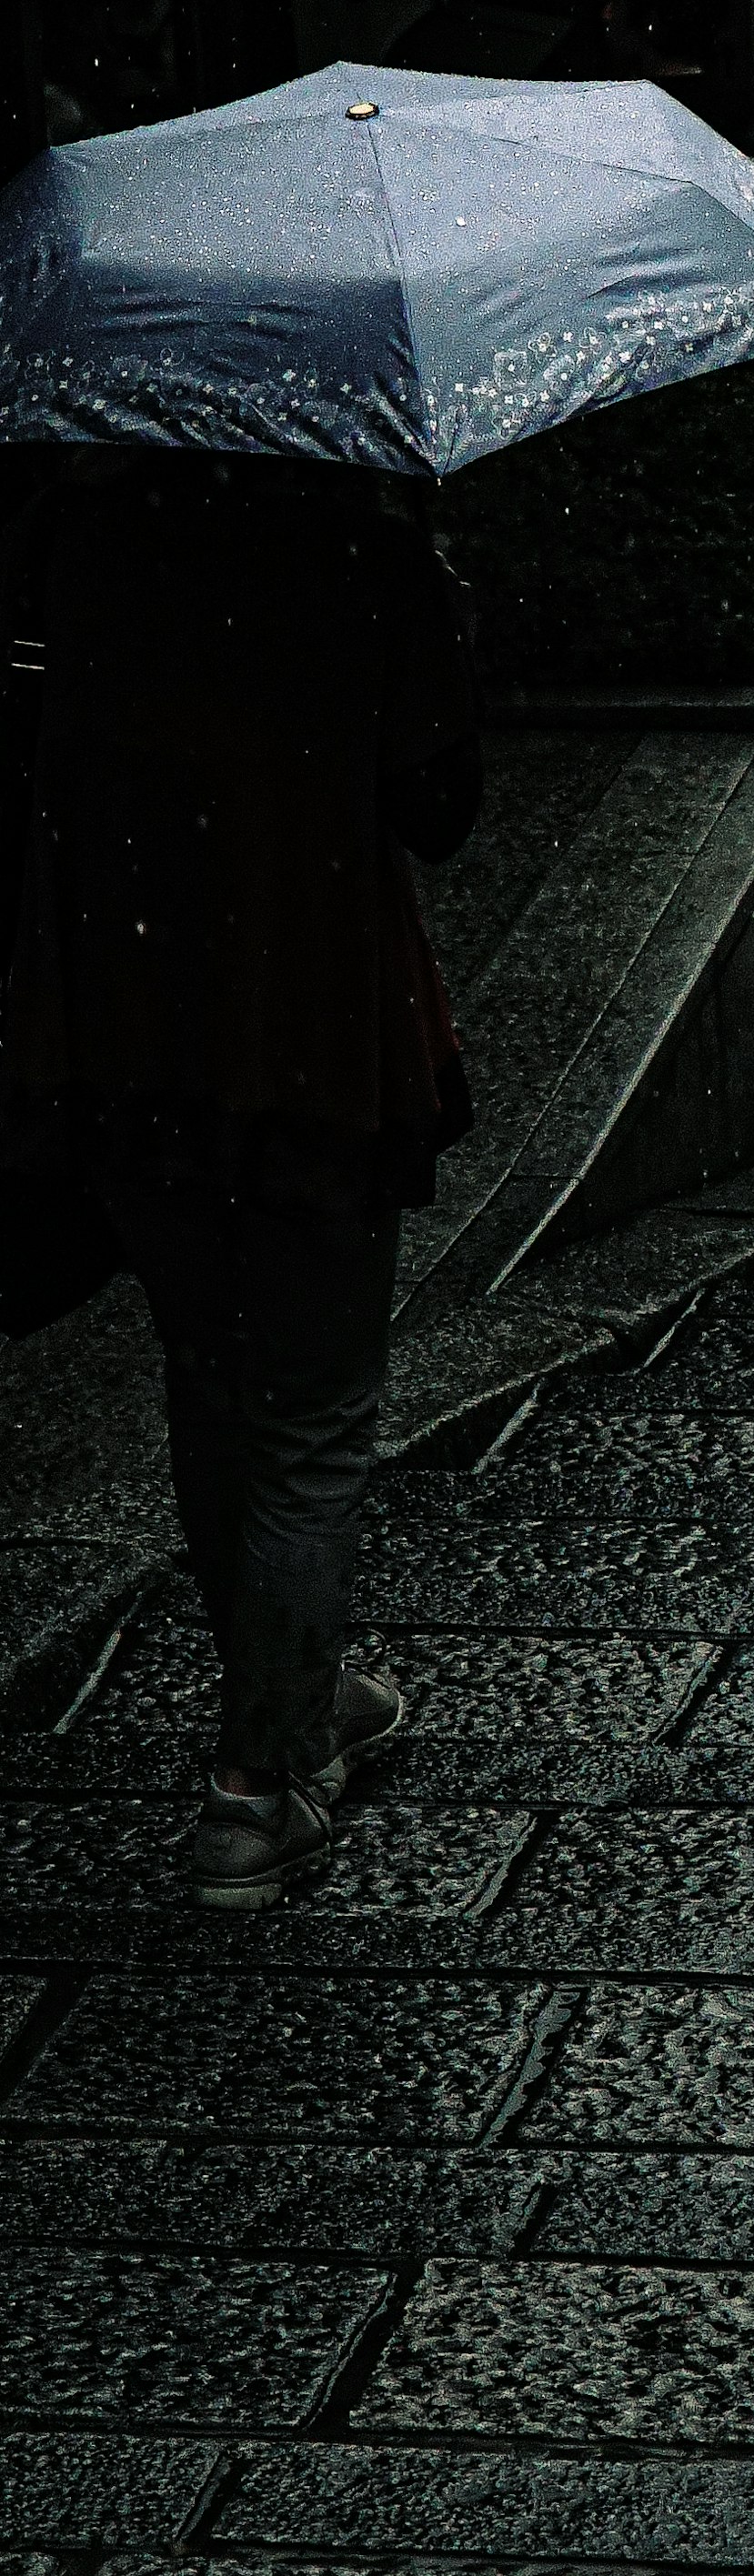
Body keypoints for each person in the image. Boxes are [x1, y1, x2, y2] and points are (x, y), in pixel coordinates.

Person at [0, 452, 480, 1906]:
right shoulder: (362, 556)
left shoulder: (69, 536)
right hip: (311, 1036)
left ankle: (298, 1691)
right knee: (316, 1412)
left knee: (211, 1384)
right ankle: (258, 1784)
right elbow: (440, 804)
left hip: (128, 1031)